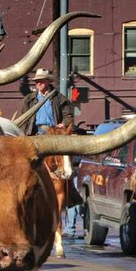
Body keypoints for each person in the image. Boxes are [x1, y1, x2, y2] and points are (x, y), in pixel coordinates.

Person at [21, 69, 78, 236]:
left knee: (66, 163)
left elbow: (68, 116)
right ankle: (22, 190)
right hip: (36, 134)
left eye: (42, 80)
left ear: (48, 82)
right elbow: (25, 118)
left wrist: (63, 124)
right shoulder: (29, 99)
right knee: (25, 164)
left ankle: (70, 193)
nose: (39, 83)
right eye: (37, 81)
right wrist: (24, 136)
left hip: (54, 134)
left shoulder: (59, 98)